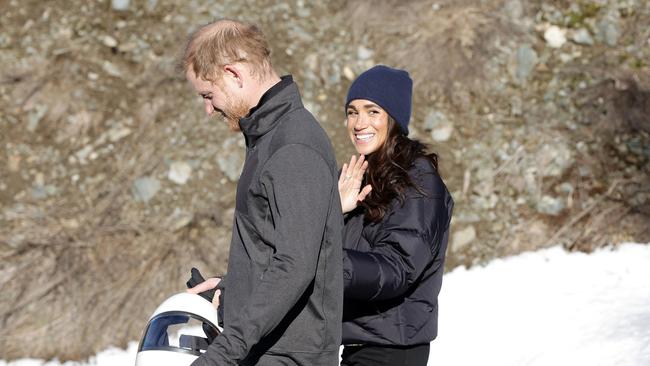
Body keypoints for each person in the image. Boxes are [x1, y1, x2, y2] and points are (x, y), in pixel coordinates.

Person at [181, 19, 343, 366]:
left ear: (234, 74)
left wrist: (223, 355)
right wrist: (233, 288)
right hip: (269, 348)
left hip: (286, 355)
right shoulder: (269, 138)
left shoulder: (293, 146)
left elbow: (295, 265)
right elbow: (276, 248)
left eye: (208, 95)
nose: (208, 110)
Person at [337, 65, 454, 366]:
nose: (359, 123)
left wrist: (324, 261)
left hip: (392, 351)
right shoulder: (356, 178)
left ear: (394, 118)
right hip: (356, 344)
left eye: (372, 111)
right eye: (352, 112)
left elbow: (396, 268)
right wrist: (336, 213)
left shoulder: (418, 181)